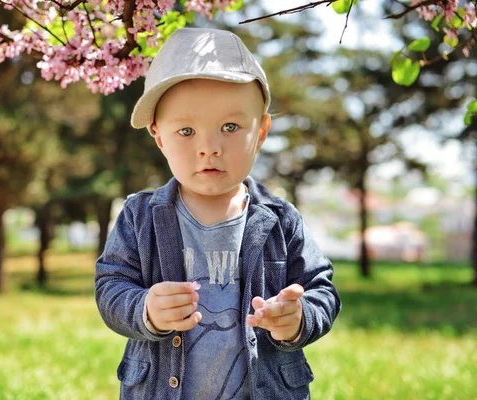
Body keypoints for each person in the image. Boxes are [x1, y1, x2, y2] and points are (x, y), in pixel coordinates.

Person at [95, 27, 341, 400]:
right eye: (187, 131)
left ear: (260, 131)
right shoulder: (139, 215)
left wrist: (299, 317)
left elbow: (321, 289)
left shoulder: (280, 218)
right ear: (159, 135)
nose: (209, 148)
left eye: (230, 127)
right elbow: (111, 286)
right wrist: (144, 308)